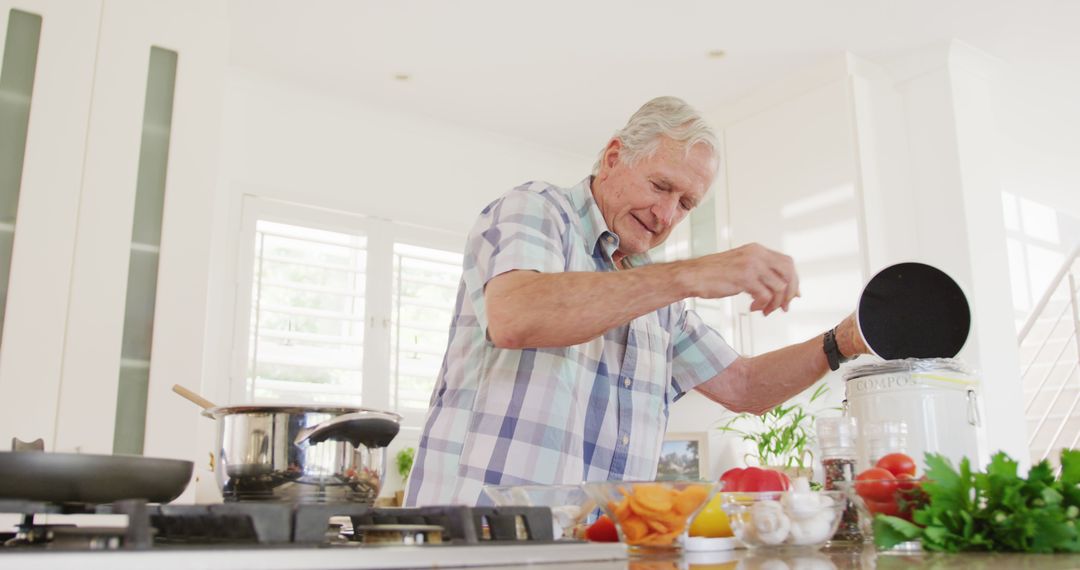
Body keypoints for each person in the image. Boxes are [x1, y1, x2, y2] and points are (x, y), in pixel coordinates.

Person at [404, 96, 869, 506]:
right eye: (660, 186)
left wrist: (844, 340)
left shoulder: (657, 292)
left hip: (598, 548)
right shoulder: (538, 209)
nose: (667, 215)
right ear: (612, 158)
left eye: (686, 203)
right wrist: (691, 273)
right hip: (481, 537)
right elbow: (517, 314)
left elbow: (744, 386)